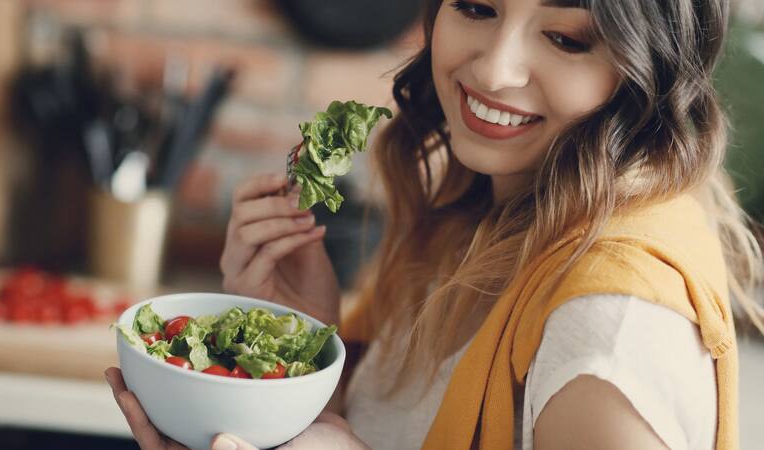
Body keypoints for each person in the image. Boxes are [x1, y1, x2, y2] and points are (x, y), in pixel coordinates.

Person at [105, 0, 764, 449]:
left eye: (566, 37)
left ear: (645, 73)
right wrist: (306, 353)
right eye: (477, 6)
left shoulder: (613, 329)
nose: (493, 68)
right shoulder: (475, 215)